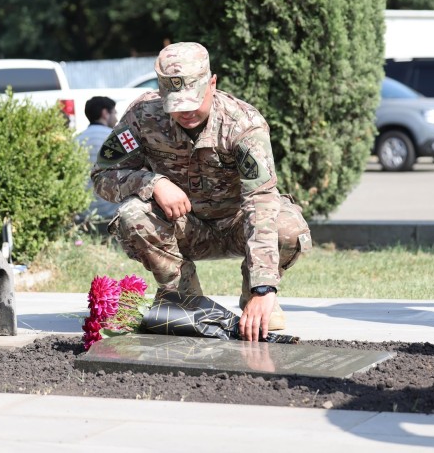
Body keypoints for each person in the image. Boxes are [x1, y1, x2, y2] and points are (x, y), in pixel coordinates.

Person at [91, 42, 312, 342]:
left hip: (237, 225)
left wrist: (263, 287)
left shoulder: (242, 123)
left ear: (212, 83)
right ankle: (185, 299)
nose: (186, 112)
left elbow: (260, 201)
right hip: (185, 227)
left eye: (193, 100)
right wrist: (152, 183)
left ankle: (254, 301)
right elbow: (103, 175)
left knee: (288, 227)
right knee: (133, 214)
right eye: (176, 104)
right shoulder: (143, 116)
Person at [76, 96, 120, 220]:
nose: (116, 118)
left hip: (85, 212)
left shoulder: (77, 139)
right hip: (113, 210)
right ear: (105, 113)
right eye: (114, 113)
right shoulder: (114, 138)